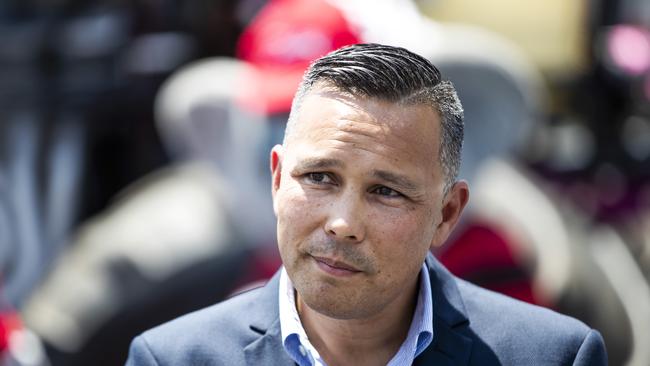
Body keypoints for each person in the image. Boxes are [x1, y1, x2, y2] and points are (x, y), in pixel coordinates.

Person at [125, 43, 607, 366]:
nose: (342, 223)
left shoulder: (551, 355)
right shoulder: (172, 357)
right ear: (276, 178)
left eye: (386, 191)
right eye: (318, 178)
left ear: (446, 213)